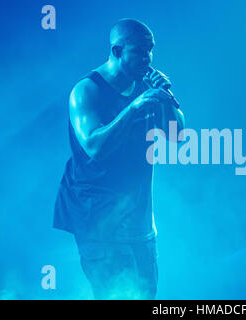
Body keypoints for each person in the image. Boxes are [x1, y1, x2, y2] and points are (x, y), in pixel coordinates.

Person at [53, 18, 185, 299]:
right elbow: (94, 146)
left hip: (139, 223)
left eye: (151, 49)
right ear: (116, 51)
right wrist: (136, 106)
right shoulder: (87, 91)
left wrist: (166, 97)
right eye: (139, 50)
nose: (148, 58)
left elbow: (177, 137)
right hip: (99, 223)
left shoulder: (146, 87)